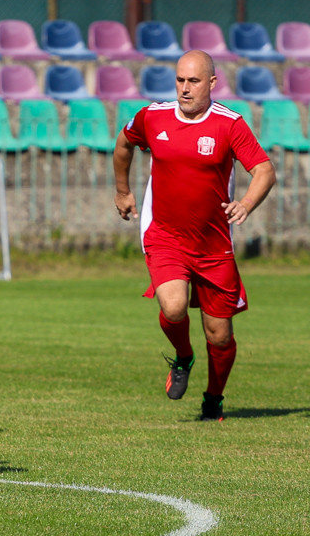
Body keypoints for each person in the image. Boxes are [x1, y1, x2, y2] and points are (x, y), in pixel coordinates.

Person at [113, 50, 276, 421]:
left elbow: (265, 171)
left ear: (212, 84)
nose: (185, 89)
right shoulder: (153, 116)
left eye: (194, 81)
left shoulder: (230, 124)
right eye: (180, 80)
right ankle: (184, 356)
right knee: (172, 306)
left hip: (214, 246)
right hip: (165, 236)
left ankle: (214, 397)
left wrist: (247, 203)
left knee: (219, 337)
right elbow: (123, 145)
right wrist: (122, 190)